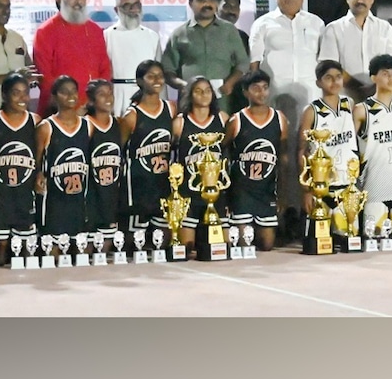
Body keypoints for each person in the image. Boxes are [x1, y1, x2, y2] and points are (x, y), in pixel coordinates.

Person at [249, 0, 324, 218]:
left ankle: (310, 210)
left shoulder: (316, 23)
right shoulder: (263, 24)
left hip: (310, 100)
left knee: (311, 153)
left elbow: (324, 63)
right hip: (276, 101)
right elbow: (254, 67)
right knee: (281, 154)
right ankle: (283, 212)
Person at [353, 54, 392, 246]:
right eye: (385, 74)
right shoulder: (362, 110)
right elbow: (351, 146)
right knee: (374, 239)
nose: (391, 79)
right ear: (373, 77)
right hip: (375, 185)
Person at [162, 0, 249, 111]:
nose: (207, 4)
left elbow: (243, 63)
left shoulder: (230, 31)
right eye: (201, 0)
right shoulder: (179, 34)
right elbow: (168, 70)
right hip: (190, 104)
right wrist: (185, 86)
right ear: (191, 4)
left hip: (223, 103)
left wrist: (230, 84)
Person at [225, 69, 287, 251]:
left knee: (267, 245)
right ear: (245, 92)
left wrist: (282, 193)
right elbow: (221, 152)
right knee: (244, 244)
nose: (262, 92)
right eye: (256, 88)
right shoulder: (236, 120)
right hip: (242, 191)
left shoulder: (279, 119)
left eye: (265, 88)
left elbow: (283, 158)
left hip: (266, 190)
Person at [0, 74, 39, 266]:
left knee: (26, 251)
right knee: (0, 251)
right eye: (16, 93)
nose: (23, 98)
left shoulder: (35, 121)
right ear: (4, 95)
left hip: (25, 190)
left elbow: (40, 154)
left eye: (26, 93)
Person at [318, 0, 392, 103]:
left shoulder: (384, 28)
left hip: (380, 100)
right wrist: (359, 89)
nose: (360, 0)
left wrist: (376, 86)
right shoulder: (333, 29)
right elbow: (330, 66)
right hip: (345, 100)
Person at [33, 0, 112, 113]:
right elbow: (45, 77)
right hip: (60, 110)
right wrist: (70, 107)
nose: (78, 1)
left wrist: (94, 102)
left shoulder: (95, 30)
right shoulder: (45, 32)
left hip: (92, 107)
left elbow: (104, 69)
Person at [298, 60, 358, 234]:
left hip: (347, 184)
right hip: (322, 185)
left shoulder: (350, 104)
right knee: (320, 241)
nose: (335, 82)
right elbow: (302, 150)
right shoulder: (311, 111)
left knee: (348, 240)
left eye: (338, 77)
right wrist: (306, 190)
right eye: (329, 78)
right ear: (318, 82)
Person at [34, 76, 93, 252]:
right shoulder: (46, 127)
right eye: (64, 92)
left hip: (78, 201)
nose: (70, 95)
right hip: (53, 202)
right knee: (53, 256)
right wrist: (38, 175)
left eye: (73, 91)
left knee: (83, 255)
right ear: (54, 97)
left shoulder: (88, 125)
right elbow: (36, 161)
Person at [121, 60, 176, 241]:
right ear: (140, 81)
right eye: (151, 76)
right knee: (134, 244)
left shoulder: (171, 109)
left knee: (164, 241)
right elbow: (120, 150)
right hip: (138, 187)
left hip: (163, 184)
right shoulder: (131, 115)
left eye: (160, 76)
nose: (157, 80)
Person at [173, 77, 229, 255]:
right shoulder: (180, 122)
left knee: (222, 246)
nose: (204, 95)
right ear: (190, 95)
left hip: (216, 191)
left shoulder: (222, 119)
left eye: (207, 90)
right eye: (198, 91)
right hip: (189, 192)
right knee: (187, 247)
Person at [103, 0, 162, 116]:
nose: (133, 9)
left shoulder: (152, 36)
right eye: (127, 5)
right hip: (117, 95)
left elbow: (159, 75)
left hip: (147, 95)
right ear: (116, 9)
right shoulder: (107, 36)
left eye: (136, 4)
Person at [85, 80, 123, 247]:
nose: (108, 98)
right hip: (91, 194)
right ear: (92, 100)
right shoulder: (85, 124)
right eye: (102, 94)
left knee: (105, 251)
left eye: (110, 93)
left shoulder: (118, 123)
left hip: (111, 194)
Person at [220, 0, 250, 114]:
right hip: (214, 98)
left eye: (235, 6)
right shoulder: (206, 35)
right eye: (226, 6)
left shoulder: (243, 37)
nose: (231, 10)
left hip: (238, 100)